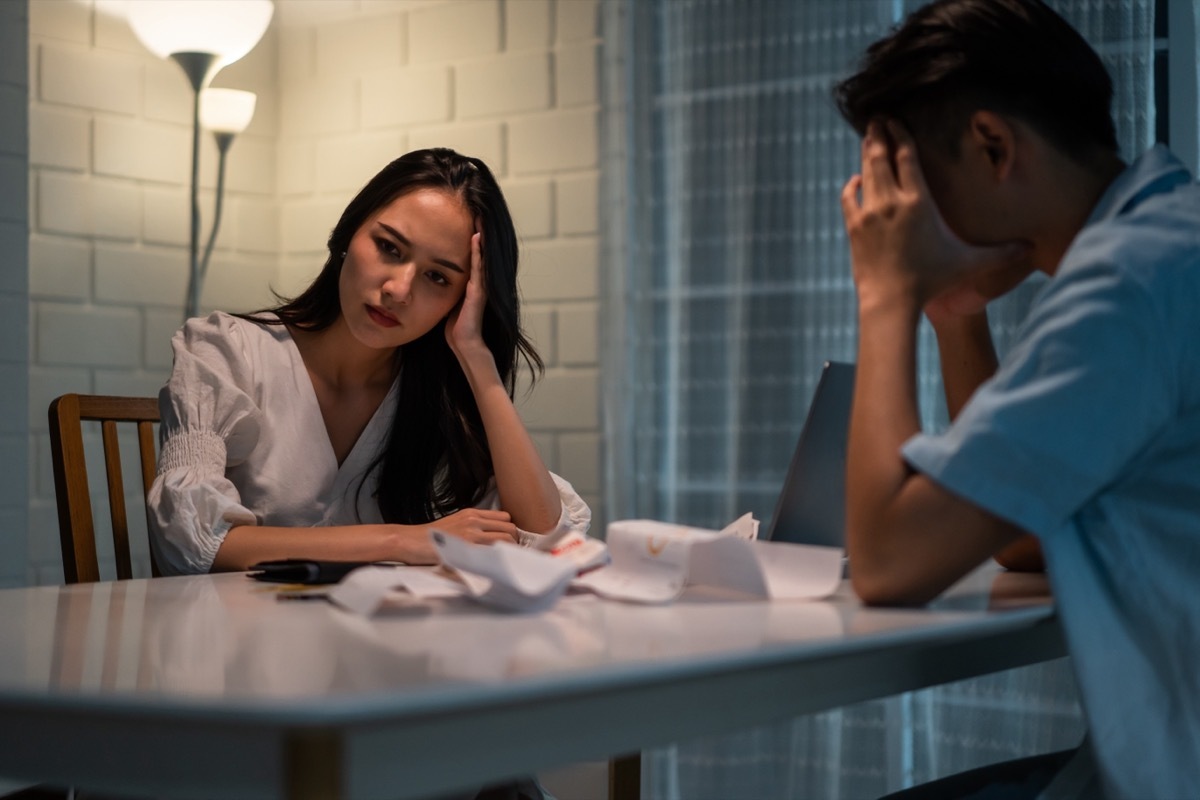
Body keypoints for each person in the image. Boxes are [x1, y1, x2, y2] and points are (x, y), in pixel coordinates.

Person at [834, 0, 1200, 798]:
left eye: (911, 184)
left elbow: (891, 562)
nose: (900, 216)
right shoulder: (1168, 242)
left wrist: (886, 292)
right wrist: (952, 310)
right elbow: (1024, 532)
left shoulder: (1124, 288)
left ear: (993, 146)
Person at [148, 147, 591, 578]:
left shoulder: (435, 393)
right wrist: (402, 541)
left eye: (437, 277)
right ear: (348, 233)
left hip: (376, 625)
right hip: (234, 626)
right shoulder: (226, 351)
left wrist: (476, 356)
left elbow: (549, 539)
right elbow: (190, 540)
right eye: (389, 248)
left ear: (462, 299)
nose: (399, 289)